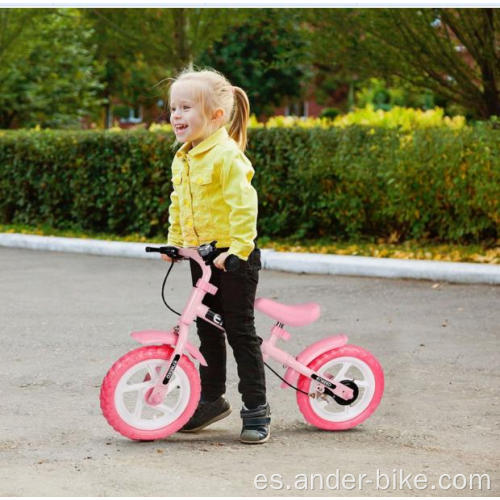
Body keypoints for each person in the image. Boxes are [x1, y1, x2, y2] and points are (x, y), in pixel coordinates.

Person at [161, 67, 270, 444]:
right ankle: (211, 399)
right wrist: (177, 242)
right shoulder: (184, 157)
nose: (176, 115)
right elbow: (180, 202)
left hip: (233, 256)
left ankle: (256, 408)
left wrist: (238, 250)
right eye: (173, 108)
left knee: (240, 331)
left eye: (186, 107)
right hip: (202, 256)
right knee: (207, 329)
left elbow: (244, 206)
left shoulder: (226, 156)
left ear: (216, 116)